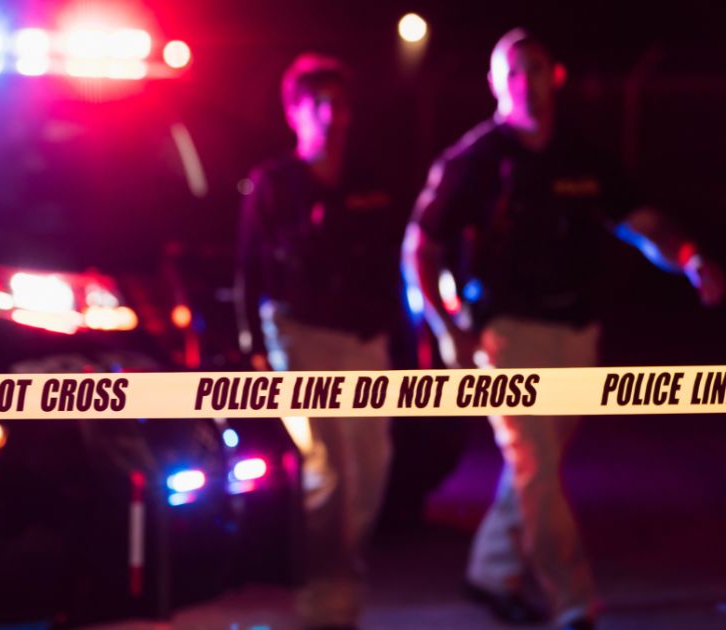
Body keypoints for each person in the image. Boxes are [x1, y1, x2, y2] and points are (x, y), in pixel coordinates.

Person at [402, 28, 724, 630]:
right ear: (497, 84)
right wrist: (446, 327)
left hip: (575, 334)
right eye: (513, 72)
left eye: (536, 69)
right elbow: (422, 243)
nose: (526, 82)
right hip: (508, 335)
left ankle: (490, 573)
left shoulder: (582, 154)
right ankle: (574, 603)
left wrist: (690, 258)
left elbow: (639, 218)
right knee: (533, 464)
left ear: (558, 77)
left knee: (538, 467)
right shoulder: (477, 160)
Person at [236, 53, 405, 630]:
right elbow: (249, 270)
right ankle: (319, 597)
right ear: (295, 113)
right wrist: (255, 348)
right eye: (317, 104)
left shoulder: (372, 180)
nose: (330, 116)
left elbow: (395, 263)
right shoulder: (273, 185)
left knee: (372, 467)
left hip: (362, 340)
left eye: (339, 103)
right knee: (327, 465)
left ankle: (343, 575)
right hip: (299, 334)